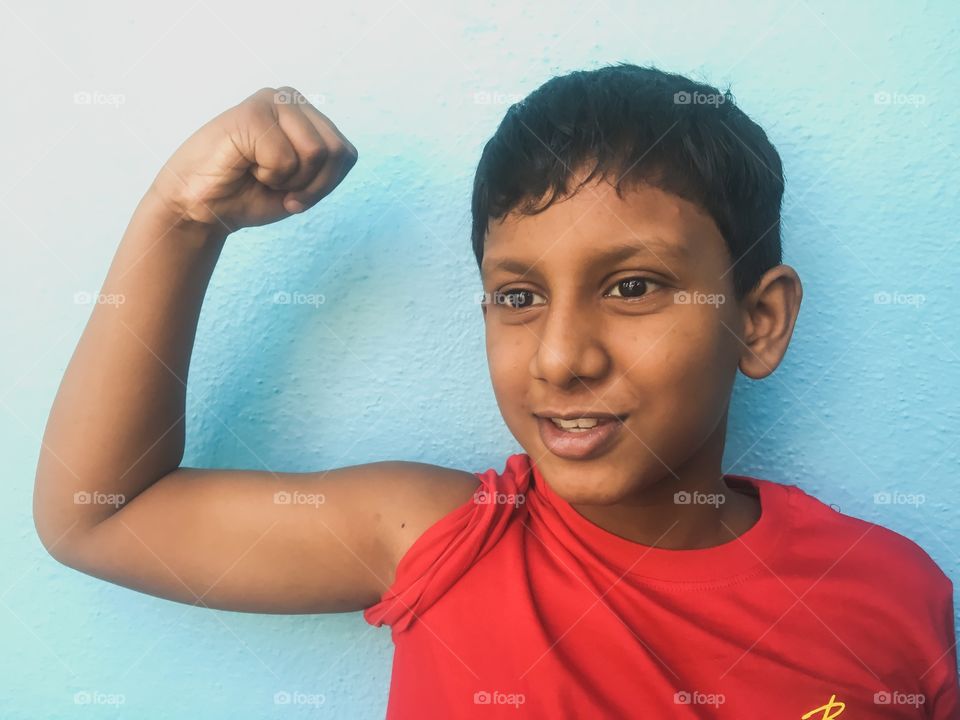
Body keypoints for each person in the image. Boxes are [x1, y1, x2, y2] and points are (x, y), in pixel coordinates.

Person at [33, 64, 958, 718]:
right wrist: (183, 218)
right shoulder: (440, 540)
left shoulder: (887, 594)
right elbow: (98, 513)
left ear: (757, 321)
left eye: (632, 287)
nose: (558, 357)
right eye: (517, 296)